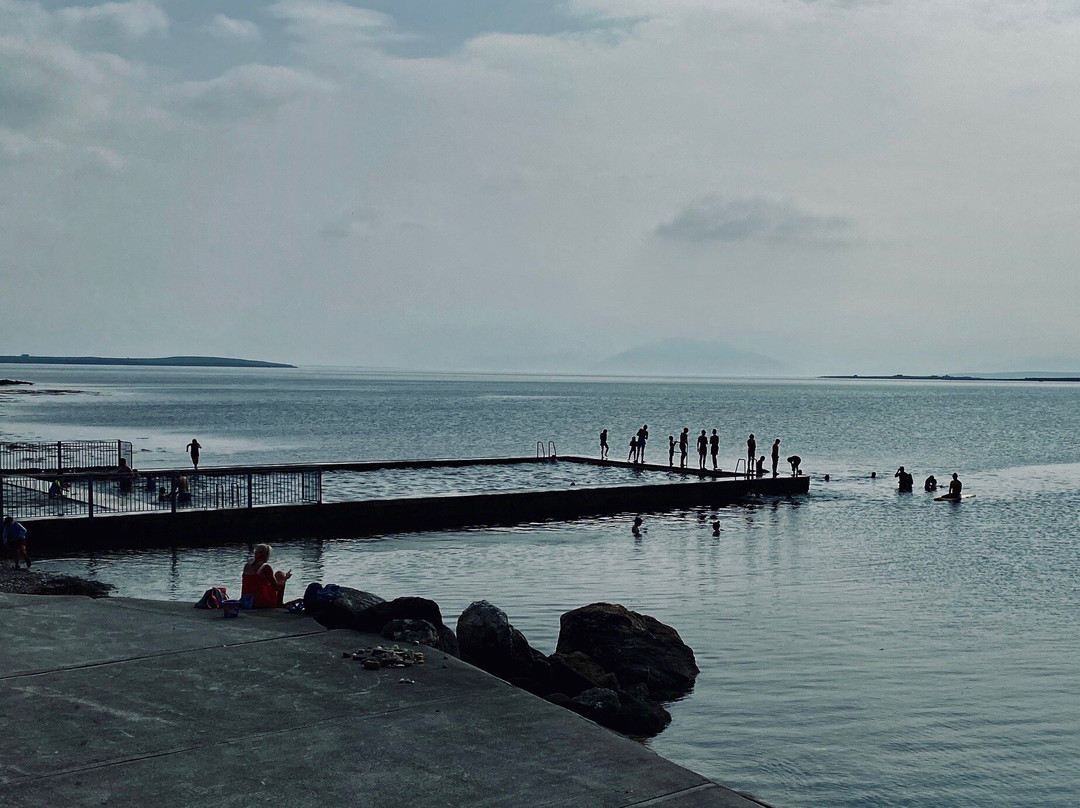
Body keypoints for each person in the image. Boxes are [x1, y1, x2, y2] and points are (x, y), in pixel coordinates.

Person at [242, 543, 292, 608]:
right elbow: (276, 587)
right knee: (280, 574)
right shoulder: (265, 567)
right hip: (261, 603)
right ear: (266, 555)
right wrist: (285, 578)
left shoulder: (247, 566)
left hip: (247, 601)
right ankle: (279, 604)